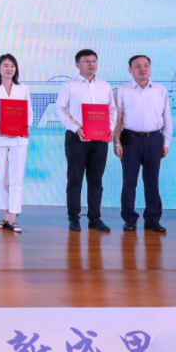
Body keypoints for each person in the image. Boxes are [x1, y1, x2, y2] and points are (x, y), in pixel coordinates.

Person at [55, 48, 118, 233]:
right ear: (77, 64)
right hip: (77, 137)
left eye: (94, 61)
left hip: (100, 138)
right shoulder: (69, 85)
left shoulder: (105, 86)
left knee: (96, 180)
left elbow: (112, 110)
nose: (91, 64)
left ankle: (95, 219)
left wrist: (109, 128)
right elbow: (60, 109)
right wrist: (77, 127)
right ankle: (74, 218)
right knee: (75, 180)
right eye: (86, 61)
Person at [114, 55, 172, 233]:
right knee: (129, 181)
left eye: (146, 65)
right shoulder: (122, 91)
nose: (143, 69)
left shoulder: (160, 90)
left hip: (154, 139)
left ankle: (153, 220)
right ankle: (129, 220)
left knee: (152, 181)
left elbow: (167, 117)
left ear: (150, 68)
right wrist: (116, 142)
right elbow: (116, 119)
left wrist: (166, 142)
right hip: (129, 139)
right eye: (138, 66)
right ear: (130, 70)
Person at [0, 54, 33, 233]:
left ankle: (13, 219)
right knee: (1, 179)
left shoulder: (23, 88)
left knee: (17, 179)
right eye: (5, 65)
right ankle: (5, 217)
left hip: (19, 139)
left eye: (12, 66)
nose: (9, 69)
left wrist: (26, 126)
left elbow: (29, 112)